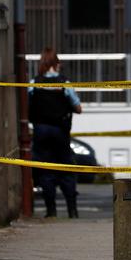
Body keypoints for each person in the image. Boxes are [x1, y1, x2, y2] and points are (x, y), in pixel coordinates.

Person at [29, 47, 82, 218]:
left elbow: (26, 107)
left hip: (41, 131)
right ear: (54, 63)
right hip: (60, 131)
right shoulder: (64, 83)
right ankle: (72, 210)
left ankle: (51, 210)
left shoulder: (33, 83)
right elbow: (78, 108)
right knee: (66, 169)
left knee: (46, 171)